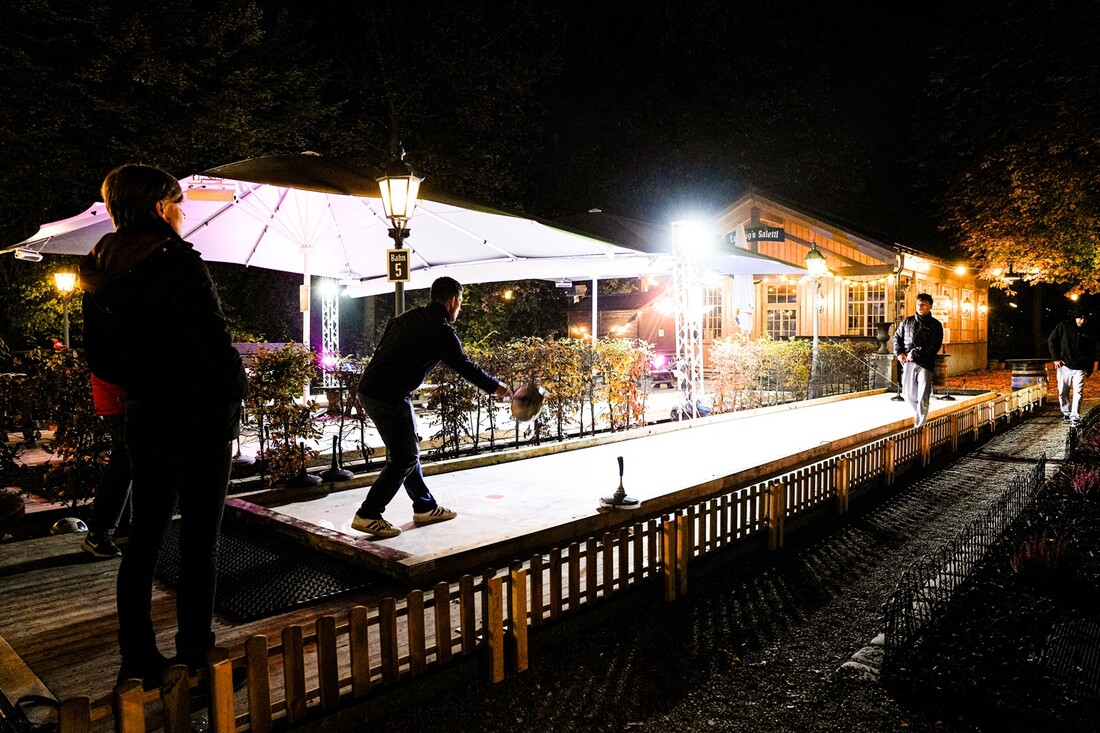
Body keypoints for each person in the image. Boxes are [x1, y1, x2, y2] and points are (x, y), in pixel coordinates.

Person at [81, 164, 248, 687]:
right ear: (159, 207)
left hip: (146, 417)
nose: (183, 213)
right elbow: (216, 343)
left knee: (145, 540)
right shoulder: (176, 261)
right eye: (178, 203)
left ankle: (139, 661)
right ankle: (197, 658)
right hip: (199, 418)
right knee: (200, 541)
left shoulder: (99, 265)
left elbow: (101, 358)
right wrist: (231, 396)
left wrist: (145, 381)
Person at [353, 276, 511, 539]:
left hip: (370, 388)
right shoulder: (442, 331)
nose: (459, 308)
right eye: (460, 302)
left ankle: (425, 506)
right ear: (452, 301)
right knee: (404, 456)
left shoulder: (405, 317)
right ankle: (368, 513)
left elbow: (383, 352)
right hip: (389, 395)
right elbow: (465, 367)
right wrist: (499, 387)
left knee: (407, 450)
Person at [80, 373, 131, 559]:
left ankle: (112, 531)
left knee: (125, 464)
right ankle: (100, 533)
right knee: (124, 465)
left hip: (117, 398)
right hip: (121, 399)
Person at [893, 293, 944, 429]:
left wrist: (914, 353)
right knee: (907, 394)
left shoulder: (935, 325)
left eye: (923, 304)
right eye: (918, 304)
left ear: (930, 306)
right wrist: (899, 353)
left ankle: (920, 425)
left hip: (925, 364)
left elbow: (934, 346)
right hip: (908, 363)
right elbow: (897, 338)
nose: (920, 306)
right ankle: (918, 416)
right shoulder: (907, 322)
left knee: (923, 395)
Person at [1047, 307, 1095, 427]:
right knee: (1063, 391)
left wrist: (1090, 367)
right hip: (1065, 365)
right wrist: (1056, 358)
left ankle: (1075, 417)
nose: (1082, 321)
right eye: (1080, 318)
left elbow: (1091, 350)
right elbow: (1052, 340)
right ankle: (1067, 413)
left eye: (1084, 319)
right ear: (1075, 318)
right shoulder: (1064, 326)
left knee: (1078, 392)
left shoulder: (1088, 330)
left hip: (1080, 366)